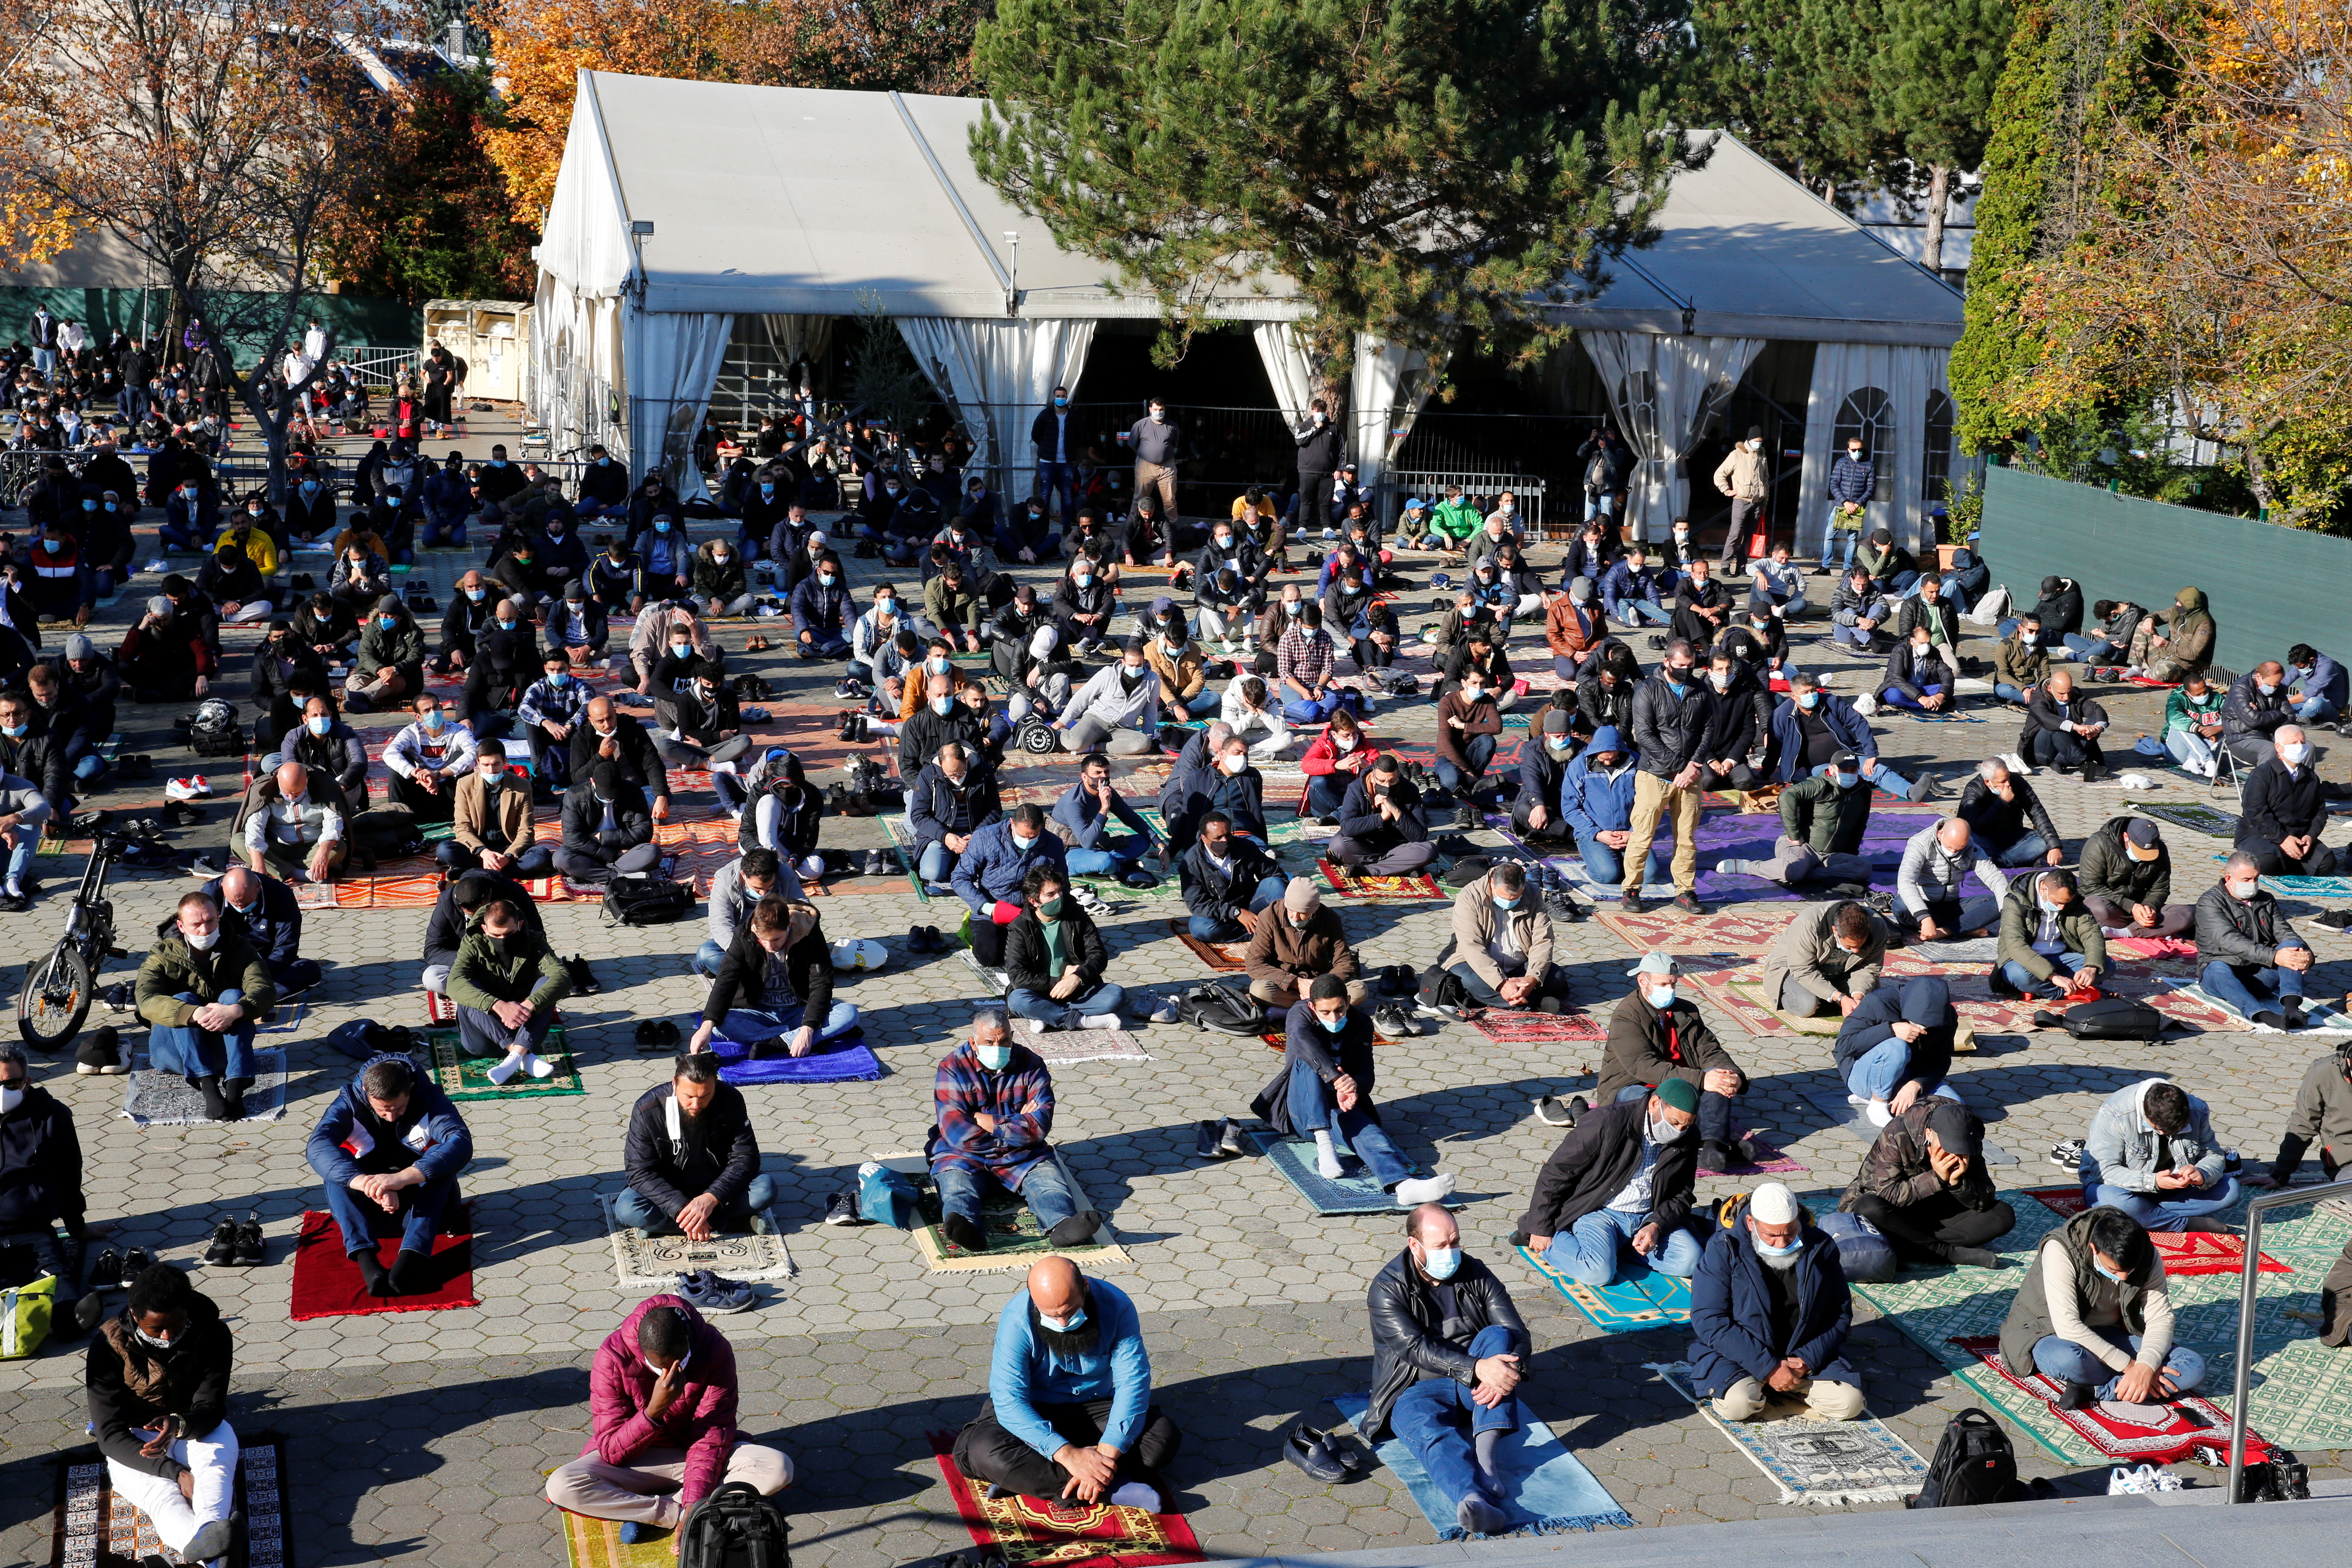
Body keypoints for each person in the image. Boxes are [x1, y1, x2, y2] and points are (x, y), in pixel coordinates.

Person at [544, 1296, 791, 1540]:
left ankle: (659, 1513)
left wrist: (693, 1501)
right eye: (657, 1368)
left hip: (694, 1452)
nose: (671, 1374)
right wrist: (654, 1411)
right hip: (637, 1461)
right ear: (641, 1353)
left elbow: (711, 1435)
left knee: (777, 1468)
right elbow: (612, 1451)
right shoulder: (613, 1356)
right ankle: (687, 1514)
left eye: (681, 1363)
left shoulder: (714, 1348)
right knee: (562, 1486)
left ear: (688, 1342)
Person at [953, 1256, 1178, 1508]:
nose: (1063, 1324)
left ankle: (1029, 1478)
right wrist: (1069, 1455)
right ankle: (1112, 1489)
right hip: (1035, 1410)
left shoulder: (1117, 1306)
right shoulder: (1016, 1318)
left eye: (1070, 1312)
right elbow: (1009, 1401)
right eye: (1052, 1316)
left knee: (1162, 1436)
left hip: (1095, 1406)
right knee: (982, 1450)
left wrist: (1106, 1452)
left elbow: (1133, 1381)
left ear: (1085, 1287)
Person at [1363, 1204, 1532, 1537]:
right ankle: (1471, 1500)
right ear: (1415, 1246)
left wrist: (1510, 1370)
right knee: (1431, 1434)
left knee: (1499, 1337)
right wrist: (1479, 1368)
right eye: (1441, 1246)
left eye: (1455, 1242)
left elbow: (1518, 1334)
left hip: (1475, 1383)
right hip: (1413, 1386)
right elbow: (1414, 1349)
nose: (1451, 1252)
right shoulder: (1386, 1289)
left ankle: (1487, 1462)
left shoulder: (1476, 1272)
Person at [87, 1262, 241, 1568]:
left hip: (190, 1425)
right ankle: (214, 1559)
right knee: (162, 1495)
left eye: (177, 1323)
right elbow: (109, 1435)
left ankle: (212, 1535)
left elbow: (211, 1407)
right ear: (135, 1316)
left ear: (188, 1309)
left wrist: (179, 1425)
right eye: (156, 1328)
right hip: (134, 1437)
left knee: (215, 1466)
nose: (169, 1335)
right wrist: (177, 1472)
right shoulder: (107, 1347)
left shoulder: (212, 1332)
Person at [1253, 974, 1455, 1198]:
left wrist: (1353, 1084)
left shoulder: (1361, 1023)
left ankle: (1404, 1186)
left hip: (1340, 1105)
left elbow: (1367, 1075)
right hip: (1300, 1110)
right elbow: (1302, 1040)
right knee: (1308, 1060)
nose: (1334, 1017)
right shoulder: (1299, 1014)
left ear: (1349, 1002)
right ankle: (1325, 1145)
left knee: (1374, 1136)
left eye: (1340, 1010)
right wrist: (1335, 1077)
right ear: (1312, 1007)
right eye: (1326, 1012)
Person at [1999, 1203, 2207, 1412]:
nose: (2124, 1278)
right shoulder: (2060, 1248)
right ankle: (2130, 1383)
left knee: (2192, 1366)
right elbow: (2068, 1326)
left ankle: (2094, 1390)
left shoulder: (2146, 1254)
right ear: (2094, 1249)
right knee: (2068, 1360)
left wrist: (2146, 1366)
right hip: (2051, 1334)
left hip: (2112, 1333)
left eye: (2130, 1271)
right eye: (2114, 1270)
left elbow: (2160, 1318)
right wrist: (2131, 1367)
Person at [927, 1010, 1102, 1251]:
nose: (997, 1048)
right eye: (989, 1043)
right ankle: (967, 1229)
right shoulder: (952, 1067)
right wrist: (1017, 1123)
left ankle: (1062, 1226)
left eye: (1004, 1041)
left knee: (1050, 1185)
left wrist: (986, 1121)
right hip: (964, 1155)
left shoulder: (1032, 1064)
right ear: (973, 1043)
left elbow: (1040, 1126)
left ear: (1012, 1037)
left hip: (1024, 1156)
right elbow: (958, 1133)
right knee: (956, 1186)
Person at [1688, 1182, 1863, 1421]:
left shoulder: (1821, 1246)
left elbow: (1839, 1313)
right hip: (1743, 1353)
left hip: (1802, 1353)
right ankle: (1769, 1384)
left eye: (1789, 1233)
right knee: (1738, 1406)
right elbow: (1710, 1320)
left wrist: (1808, 1360)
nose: (1782, 1244)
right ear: (1752, 1224)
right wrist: (1768, 1367)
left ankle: (1787, 1383)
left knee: (1849, 1404)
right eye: (1771, 1236)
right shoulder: (1723, 1249)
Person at [305, 1055, 473, 1297]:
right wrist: (368, 1185)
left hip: (424, 1211)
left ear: (411, 1089)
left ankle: (412, 1258)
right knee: (336, 1168)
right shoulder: (349, 1103)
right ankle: (368, 1264)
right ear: (366, 1091)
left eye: (399, 1108)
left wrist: (402, 1179)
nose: (392, 1117)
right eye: (383, 1110)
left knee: (441, 1161)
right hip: (369, 1208)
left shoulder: (431, 1100)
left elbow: (460, 1142)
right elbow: (318, 1146)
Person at [1514, 1078, 1704, 1286]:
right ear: (1654, 1104)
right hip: (1599, 1212)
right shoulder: (1607, 1121)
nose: (1679, 1131)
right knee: (1597, 1273)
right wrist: (1541, 1227)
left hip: (1647, 1215)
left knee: (1689, 1261)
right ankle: (1557, 1244)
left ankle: (1615, 1250)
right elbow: (1557, 1171)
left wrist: (1656, 1225)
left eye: (1687, 1125)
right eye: (1675, 1123)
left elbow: (1683, 1194)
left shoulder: (1689, 1136)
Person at [1597, 952, 1750, 1171]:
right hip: (1634, 1084)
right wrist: (1701, 1079)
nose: (1669, 991)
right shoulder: (1627, 1014)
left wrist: (1732, 1076)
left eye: (1673, 984)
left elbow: (1709, 1049)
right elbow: (1643, 1066)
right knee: (1649, 1103)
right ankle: (1686, 1144)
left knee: (1718, 1078)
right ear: (1643, 981)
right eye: (1662, 984)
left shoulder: (1686, 1010)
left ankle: (1713, 1144)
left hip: (1681, 1079)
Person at [135, 891, 274, 1123]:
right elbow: (146, 999)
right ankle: (208, 1086)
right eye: (196, 924)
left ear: (218, 916)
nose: (205, 930)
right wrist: (192, 1013)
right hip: (175, 1053)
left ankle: (235, 1086)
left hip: (225, 1051)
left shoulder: (240, 947)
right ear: (181, 926)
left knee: (234, 996)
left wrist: (236, 1010)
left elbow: (264, 987)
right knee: (183, 999)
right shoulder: (161, 954)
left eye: (210, 921)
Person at [614, 1052, 775, 1238]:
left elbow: (746, 1157)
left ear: (715, 1084)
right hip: (669, 1187)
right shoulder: (647, 1109)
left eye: (706, 1096)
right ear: (674, 1084)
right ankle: (727, 1223)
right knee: (628, 1208)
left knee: (765, 1188)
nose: (696, 1104)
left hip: (716, 1182)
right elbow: (639, 1172)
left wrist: (711, 1198)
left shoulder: (730, 1100)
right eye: (689, 1096)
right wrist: (680, 1206)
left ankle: (664, 1226)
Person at [1840, 1098, 2014, 1270]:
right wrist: (1937, 1178)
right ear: (1930, 1134)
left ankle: (1911, 1246)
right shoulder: (1897, 1133)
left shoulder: (1970, 1133)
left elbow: (1985, 1198)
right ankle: (1947, 1253)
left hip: (1929, 1212)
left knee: (2003, 1214)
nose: (1953, 1153)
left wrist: (1957, 1183)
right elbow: (1887, 1194)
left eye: (1959, 1149)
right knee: (1868, 1207)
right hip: (1891, 1211)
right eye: (1947, 1147)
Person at [689, 897, 859, 1059]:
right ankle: (804, 1039)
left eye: (777, 939)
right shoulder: (744, 935)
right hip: (758, 1012)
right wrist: (707, 1026)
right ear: (755, 929)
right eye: (764, 940)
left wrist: (807, 1028)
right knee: (721, 1024)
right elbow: (726, 979)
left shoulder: (809, 935)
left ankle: (777, 1044)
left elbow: (822, 983)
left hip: (798, 1011)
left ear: (789, 927)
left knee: (849, 1013)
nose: (771, 946)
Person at [1621, 639, 1713, 914]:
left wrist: (1695, 764)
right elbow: (1646, 736)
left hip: (1691, 774)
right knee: (1644, 833)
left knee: (1687, 837)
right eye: (1681, 666)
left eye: (1690, 666)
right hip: (1655, 773)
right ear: (1667, 662)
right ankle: (1632, 890)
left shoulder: (1700, 689)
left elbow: (1709, 729)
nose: (1686, 670)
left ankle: (1685, 890)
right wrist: (1678, 769)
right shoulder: (1647, 690)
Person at [2080, 1079, 2242, 1232]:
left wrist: (2203, 1173)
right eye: (2158, 1128)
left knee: (2230, 1190)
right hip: (2124, 1189)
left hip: (2172, 1192)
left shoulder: (2197, 1111)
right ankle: (2183, 1224)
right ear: (2144, 1108)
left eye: (2176, 1130)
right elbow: (2105, 1171)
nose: (2164, 1133)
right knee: (2109, 1199)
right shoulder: (2115, 1113)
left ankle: (2146, 1214)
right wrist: (2154, 1182)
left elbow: (2213, 1154)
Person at [446, 895, 571, 1084]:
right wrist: (497, 1005)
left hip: (524, 1027)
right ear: (485, 929)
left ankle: (514, 1057)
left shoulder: (534, 941)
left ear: (520, 925)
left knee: (547, 984)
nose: (503, 940)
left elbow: (562, 976)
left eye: (509, 934)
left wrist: (530, 1004)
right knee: (468, 992)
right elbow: (455, 983)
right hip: (483, 1038)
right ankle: (524, 1057)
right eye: (496, 936)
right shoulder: (473, 943)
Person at [1716, 750, 1875, 890]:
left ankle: (1806, 873)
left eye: (1853, 770)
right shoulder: (1819, 785)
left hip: (1832, 855)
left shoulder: (1862, 791)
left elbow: (1860, 825)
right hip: (1803, 847)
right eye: (1844, 769)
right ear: (1833, 769)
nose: (1849, 773)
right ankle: (1749, 867)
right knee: (1791, 871)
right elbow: (1788, 796)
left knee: (1863, 869)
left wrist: (1851, 855)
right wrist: (1794, 834)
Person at [2196, 850, 2314, 1029]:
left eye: (2256, 878)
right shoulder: (2209, 903)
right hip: (2224, 976)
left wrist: (2307, 956)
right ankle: (2263, 1015)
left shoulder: (2266, 900)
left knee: (2292, 947)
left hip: (2260, 974)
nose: (2253, 884)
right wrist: (2275, 957)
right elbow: (2230, 940)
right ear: (2229, 879)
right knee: (2216, 969)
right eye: (2246, 880)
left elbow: (2284, 932)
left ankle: (2292, 1008)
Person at [1003, 864, 1126, 1033]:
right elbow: (1018, 977)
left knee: (1115, 995)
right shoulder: (1020, 928)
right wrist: (1060, 980)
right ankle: (1083, 1021)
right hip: (1039, 991)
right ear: (1034, 901)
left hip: (1076, 989)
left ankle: (1046, 1015)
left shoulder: (1077, 916)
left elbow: (1098, 955)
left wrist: (1076, 978)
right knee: (1017, 1000)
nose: (1058, 897)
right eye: (1050, 894)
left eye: (1059, 891)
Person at [1835, 976, 1963, 1127]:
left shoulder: (1947, 1016)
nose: (1921, 1030)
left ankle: (1890, 1099)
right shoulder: (1879, 1002)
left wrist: (1916, 1085)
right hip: (1863, 1074)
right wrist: (1890, 1030)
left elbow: (1941, 1059)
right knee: (1897, 1046)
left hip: (1906, 1075)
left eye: (1927, 1027)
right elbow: (1844, 1046)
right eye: (1917, 1024)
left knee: (1954, 1106)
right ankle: (1878, 1103)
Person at [1439, 862, 1568, 1011]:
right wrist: (1500, 984)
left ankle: (1496, 999)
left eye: (1516, 898)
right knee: (1466, 980)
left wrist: (1532, 979)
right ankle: (1533, 1003)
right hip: (1476, 966)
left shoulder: (1533, 893)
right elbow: (1472, 946)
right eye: (1505, 897)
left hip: (1518, 967)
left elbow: (1543, 939)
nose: (1510, 902)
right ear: (1493, 883)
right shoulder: (1470, 896)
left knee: (1556, 976)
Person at [954, 804, 1068, 967]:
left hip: (1032, 910)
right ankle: (976, 929)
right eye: (1024, 836)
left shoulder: (1053, 844)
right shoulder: (985, 838)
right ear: (1012, 823)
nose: (1028, 841)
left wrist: (1053, 911)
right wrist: (985, 907)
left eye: (1033, 837)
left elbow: (1063, 883)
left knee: (1041, 957)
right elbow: (960, 878)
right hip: (993, 907)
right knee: (990, 957)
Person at [0, 1041, 89, 1239]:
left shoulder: (52, 1115)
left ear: (27, 1082)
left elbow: (69, 1176)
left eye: (12, 1084)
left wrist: (77, 1228)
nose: (3, 1093)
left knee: (50, 1271)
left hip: (31, 1225)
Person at [196, 866, 322, 997]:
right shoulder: (210, 895)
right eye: (234, 903)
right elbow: (193, 934)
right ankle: (255, 997)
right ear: (223, 887)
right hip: (225, 962)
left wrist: (256, 974)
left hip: (266, 963)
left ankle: (238, 995)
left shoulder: (280, 894)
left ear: (258, 888)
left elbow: (286, 947)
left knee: (309, 971)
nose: (240, 907)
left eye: (246, 903)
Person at [1246, 876, 1368, 1008]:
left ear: (1314, 910)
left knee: (1359, 990)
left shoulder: (1330, 918)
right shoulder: (1269, 916)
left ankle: (1302, 1009)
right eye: (1291, 911)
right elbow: (1254, 963)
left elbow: (1345, 962)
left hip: (1320, 986)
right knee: (1259, 990)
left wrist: (1319, 986)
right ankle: (1320, 1009)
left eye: (1302, 914)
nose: (1295, 918)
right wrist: (1295, 982)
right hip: (1285, 985)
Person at [1760, 900, 1888, 1021]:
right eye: (1850, 946)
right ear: (1835, 931)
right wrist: (1841, 998)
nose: (1855, 951)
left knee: (1875, 1002)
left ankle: (1829, 998)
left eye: (1860, 946)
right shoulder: (1808, 924)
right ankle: (1785, 992)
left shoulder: (1878, 926)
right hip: (1793, 969)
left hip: (1842, 972)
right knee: (1806, 1006)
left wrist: (1858, 996)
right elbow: (1802, 970)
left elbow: (1870, 967)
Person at [2236, 726, 2338, 876]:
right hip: (2260, 834)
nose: (2300, 747)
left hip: (2299, 835)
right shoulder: (2262, 774)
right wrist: (2283, 839)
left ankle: (2290, 857)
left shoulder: (2311, 777)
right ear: (2279, 747)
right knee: (2268, 863)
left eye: (2302, 743)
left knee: (2327, 864)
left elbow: (2320, 811)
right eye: (2293, 743)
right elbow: (2255, 811)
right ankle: (2283, 857)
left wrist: (2311, 836)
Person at [443, 738, 553, 876]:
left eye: (496, 764)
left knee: (541, 855)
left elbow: (526, 831)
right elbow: (462, 827)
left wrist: (508, 857)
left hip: (509, 847)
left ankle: (477, 872)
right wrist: (484, 852)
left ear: (505, 761)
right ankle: (501, 872)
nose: (491, 771)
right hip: (479, 848)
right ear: (478, 763)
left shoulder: (522, 786)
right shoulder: (465, 784)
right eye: (486, 765)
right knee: (445, 850)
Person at [1995, 867, 2107, 1002]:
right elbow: (2016, 946)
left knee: (2106, 965)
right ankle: (2070, 992)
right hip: (2024, 962)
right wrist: (2053, 977)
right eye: (2058, 903)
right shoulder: (2015, 901)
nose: (2062, 908)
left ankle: (2038, 989)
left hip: (2060, 957)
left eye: (2066, 903)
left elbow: (2092, 935)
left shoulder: (2072, 901)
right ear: (2043, 890)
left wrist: (2090, 968)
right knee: (2017, 975)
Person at [1178, 811, 1287, 942]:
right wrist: (1236, 913)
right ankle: (1262, 932)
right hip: (1219, 912)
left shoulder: (1246, 847)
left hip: (1250, 900)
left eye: (1228, 835)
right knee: (1201, 929)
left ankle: (1285, 928)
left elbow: (1275, 874)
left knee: (1276, 885)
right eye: (1218, 838)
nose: (1225, 841)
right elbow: (1198, 904)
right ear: (1204, 838)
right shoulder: (1191, 864)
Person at [907, 742, 1001, 893]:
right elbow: (919, 815)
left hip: (974, 835)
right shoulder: (927, 776)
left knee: (992, 872)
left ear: (967, 761)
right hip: (940, 836)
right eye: (950, 775)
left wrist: (978, 835)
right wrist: (945, 836)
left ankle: (958, 861)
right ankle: (952, 860)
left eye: (960, 773)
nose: (956, 778)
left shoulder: (984, 773)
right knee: (932, 873)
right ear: (941, 765)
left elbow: (994, 810)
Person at [1893, 816, 2008, 939]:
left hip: (1951, 905)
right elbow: (1906, 880)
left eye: (1959, 849)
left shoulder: (1971, 847)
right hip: (1924, 903)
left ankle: (1947, 931)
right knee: (1901, 906)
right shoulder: (1920, 844)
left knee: (2004, 901)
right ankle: (1964, 928)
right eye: (1949, 847)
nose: (1953, 852)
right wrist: (1924, 917)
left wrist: (2008, 919)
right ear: (1940, 834)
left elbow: (1996, 879)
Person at [2079, 815, 2192, 938]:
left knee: (2190, 913)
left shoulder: (2160, 849)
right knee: (2095, 907)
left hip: (2140, 911)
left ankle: (2128, 932)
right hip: (2112, 908)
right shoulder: (2099, 843)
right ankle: (2152, 932)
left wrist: (2150, 908)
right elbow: (2090, 887)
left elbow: (2160, 888)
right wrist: (2131, 906)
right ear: (2126, 837)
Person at [1052, 753, 1155, 884]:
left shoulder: (1107, 792)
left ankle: (1103, 868)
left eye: (1106, 772)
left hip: (1098, 845)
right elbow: (1087, 843)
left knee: (1143, 841)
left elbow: (1131, 818)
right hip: (1069, 853)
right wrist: (1104, 808)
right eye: (1098, 773)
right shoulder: (1074, 803)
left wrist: (1160, 845)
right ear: (1085, 777)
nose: (1104, 776)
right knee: (1105, 861)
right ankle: (1119, 867)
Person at [1330, 754, 1436, 877]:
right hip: (1366, 845)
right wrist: (1381, 818)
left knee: (1429, 850)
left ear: (1399, 776)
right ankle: (1401, 867)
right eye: (1382, 781)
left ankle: (1369, 870)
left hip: (1398, 846)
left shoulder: (1410, 789)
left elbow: (1419, 836)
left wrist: (1394, 810)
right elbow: (1348, 828)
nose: (1387, 786)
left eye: (1392, 781)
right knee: (1338, 844)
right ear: (1373, 777)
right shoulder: (1356, 788)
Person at [1055, 637, 1162, 755]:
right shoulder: (1108, 673)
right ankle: (1059, 734)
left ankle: (1093, 748)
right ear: (1123, 662)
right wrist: (1063, 721)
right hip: (1096, 721)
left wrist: (1149, 735)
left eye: (1139, 666)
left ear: (1144, 662)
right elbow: (1083, 697)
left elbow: (1151, 710)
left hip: (1123, 728)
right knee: (1074, 743)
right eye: (1131, 665)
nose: (1135, 669)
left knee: (1143, 743)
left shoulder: (1153, 680)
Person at [695, 849, 791, 979]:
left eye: (769, 888)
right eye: (758, 889)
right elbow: (721, 923)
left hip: (776, 940)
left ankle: (747, 976)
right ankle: (769, 974)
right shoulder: (724, 879)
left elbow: (803, 910)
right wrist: (744, 954)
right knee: (706, 954)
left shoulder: (786, 874)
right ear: (743, 875)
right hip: (740, 942)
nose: (763, 894)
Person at [381, 693, 476, 822]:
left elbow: (473, 754)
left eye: (436, 708)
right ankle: (398, 820)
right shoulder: (412, 732)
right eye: (427, 710)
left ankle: (466, 818)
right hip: (422, 791)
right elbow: (389, 753)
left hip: (451, 794)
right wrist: (416, 774)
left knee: (461, 757)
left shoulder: (459, 731)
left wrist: (438, 774)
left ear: (442, 709)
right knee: (399, 765)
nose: (433, 712)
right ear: (419, 717)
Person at [2268, 1041, 2352, 1185]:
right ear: (2349, 1063)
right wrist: (2279, 1174)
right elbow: (2303, 1124)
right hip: (2347, 1163)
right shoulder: (2322, 1072)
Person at [1957, 757, 2065, 869]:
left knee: (2043, 841)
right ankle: (2020, 859)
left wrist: (2054, 847)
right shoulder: (1973, 790)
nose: (2008, 784)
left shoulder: (2017, 782)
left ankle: (2000, 861)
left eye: (2008, 777)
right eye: (2003, 782)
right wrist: (2002, 803)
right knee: (1967, 838)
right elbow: (1977, 827)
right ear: (1988, 782)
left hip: (2012, 836)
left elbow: (2037, 812)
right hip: (1985, 838)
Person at [557, 762, 653, 883]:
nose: (609, 798)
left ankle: (589, 873)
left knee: (652, 852)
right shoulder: (575, 795)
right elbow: (573, 838)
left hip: (623, 850)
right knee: (562, 858)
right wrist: (612, 855)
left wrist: (604, 837)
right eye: (605, 792)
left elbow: (644, 833)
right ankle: (620, 877)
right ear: (592, 782)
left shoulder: (634, 792)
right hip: (590, 851)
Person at [2020, 670, 2110, 779]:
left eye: (2069, 692)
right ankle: (2084, 764)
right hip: (2042, 751)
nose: (2067, 697)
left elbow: (2096, 709)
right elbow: (2045, 717)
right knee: (2054, 726)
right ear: (2050, 689)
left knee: (2093, 723)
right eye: (2062, 694)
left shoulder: (2075, 695)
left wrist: (2098, 728)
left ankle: (2061, 762)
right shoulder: (2037, 698)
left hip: (2068, 746)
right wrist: (2076, 727)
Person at [1711, 425, 1769, 572]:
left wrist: (1765, 502)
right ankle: (1725, 565)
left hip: (1757, 502)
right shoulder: (1736, 455)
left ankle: (1742, 565)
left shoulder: (1762, 456)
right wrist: (1727, 490)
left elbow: (1766, 480)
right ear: (1750, 440)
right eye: (1757, 440)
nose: (1759, 443)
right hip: (1741, 500)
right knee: (1735, 533)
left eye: (1761, 440)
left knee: (1750, 535)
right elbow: (1719, 474)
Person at [2135, 586, 2216, 684]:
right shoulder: (2177, 610)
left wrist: (2166, 645)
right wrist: (2149, 619)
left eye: (2181, 603)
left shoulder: (2204, 624)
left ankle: (2146, 673)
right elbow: (2160, 615)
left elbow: (2193, 654)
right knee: (2142, 626)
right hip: (2163, 655)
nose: (2177, 604)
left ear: (2190, 605)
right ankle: (2136, 669)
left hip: (2182, 666)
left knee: (2163, 672)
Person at [1823, 434, 1873, 576]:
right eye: (1854, 449)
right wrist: (1845, 502)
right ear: (1848, 450)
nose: (1857, 452)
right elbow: (1834, 484)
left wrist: (1857, 504)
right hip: (1840, 506)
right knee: (1829, 536)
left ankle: (1847, 568)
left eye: (1860, 449)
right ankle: (1825, 567)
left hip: (1857, 509)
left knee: (1852, 539)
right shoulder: (1841, 463)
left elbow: (1871, 488)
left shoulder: (1869, 465)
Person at [2161, 672, 2226, 777]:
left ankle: (2192, 761)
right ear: (2187, 693)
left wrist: (2218, 728)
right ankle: (2208, 762)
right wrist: (2199, 728)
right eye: (2199, 695)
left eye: (2205, 692)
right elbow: (2173, 717)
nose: (2203, 696)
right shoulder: (2177, 697)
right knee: (2180, 725)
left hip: (2206, 744)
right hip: (2179, 752)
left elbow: (2234, 715)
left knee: (2229, 722)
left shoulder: (2217, 698)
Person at [1992, 614, 2049, 707]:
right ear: (2020, 628)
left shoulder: (2040, 646)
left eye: (2038, 632)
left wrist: (2038, 687)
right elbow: (2002, 675)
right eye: (2031, 631)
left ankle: (2026, 699)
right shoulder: (2006, 645)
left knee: (2057, 687)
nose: (2034, 635)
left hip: (2031, 686)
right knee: (2003, 690)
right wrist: (2022, 688)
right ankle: (2041, 702)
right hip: (2009, 686)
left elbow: (2045, 672)